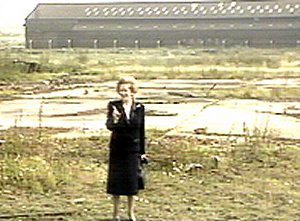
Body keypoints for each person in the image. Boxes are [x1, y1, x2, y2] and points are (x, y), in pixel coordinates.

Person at [106, 76, 147, 221]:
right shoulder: (113, 105)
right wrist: (115, 119)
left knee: (132, 184)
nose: (123, 93)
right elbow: (110, 126)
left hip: (133, 150)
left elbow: (141, 130)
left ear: (132, 91)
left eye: (126, 90)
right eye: (121, 90)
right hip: (117, 149)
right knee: (116, 184)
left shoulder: (140, 107)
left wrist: (142, 152)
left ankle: (131, 214)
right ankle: (116, 214)